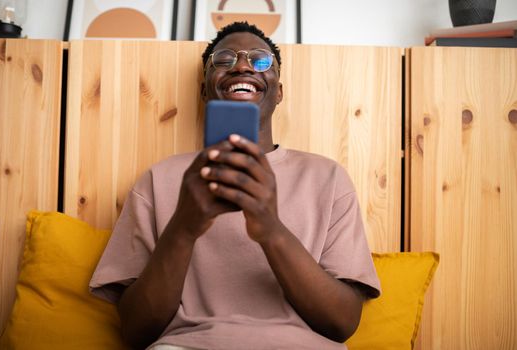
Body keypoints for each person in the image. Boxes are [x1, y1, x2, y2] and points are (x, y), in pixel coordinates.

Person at [90, 22, 381, 350]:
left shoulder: (328, 178)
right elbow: (136, 330)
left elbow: (342, 323)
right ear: (204, 91)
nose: (242, 66)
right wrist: (183, 228)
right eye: (224, 59)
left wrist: (271, 230)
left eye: (260, 60)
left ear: (279, 91)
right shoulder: (159, 179)